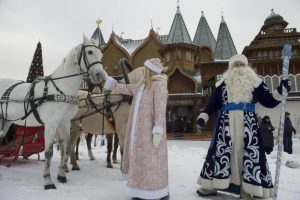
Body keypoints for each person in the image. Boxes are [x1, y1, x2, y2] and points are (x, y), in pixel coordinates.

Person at [196, 54, 291, 199]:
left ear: (247, 67)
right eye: (235, 64)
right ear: (230, 68)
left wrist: (280, 91)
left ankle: (247, 189)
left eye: (241, 64)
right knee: (220, 154)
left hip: (248, 126)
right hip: (225, 125)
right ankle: (211, 186)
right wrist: (203, 116)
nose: (238, 67)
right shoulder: (222, 84)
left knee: (247, 154)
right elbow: (212, 105)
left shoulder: (255, 82)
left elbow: (269, 101)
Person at [103, 58, 169, 200]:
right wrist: (109, 81)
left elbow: (160, 108)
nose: (143, 71)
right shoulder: (142, 85)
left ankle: (157, 191)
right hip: (138, 131)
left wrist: (158, 128)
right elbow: (126, 88)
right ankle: (139, 190)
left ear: (150, 71)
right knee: (140, 160)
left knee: (151, 160)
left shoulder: (159, 85)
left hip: (150, 131)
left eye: (145, 69)